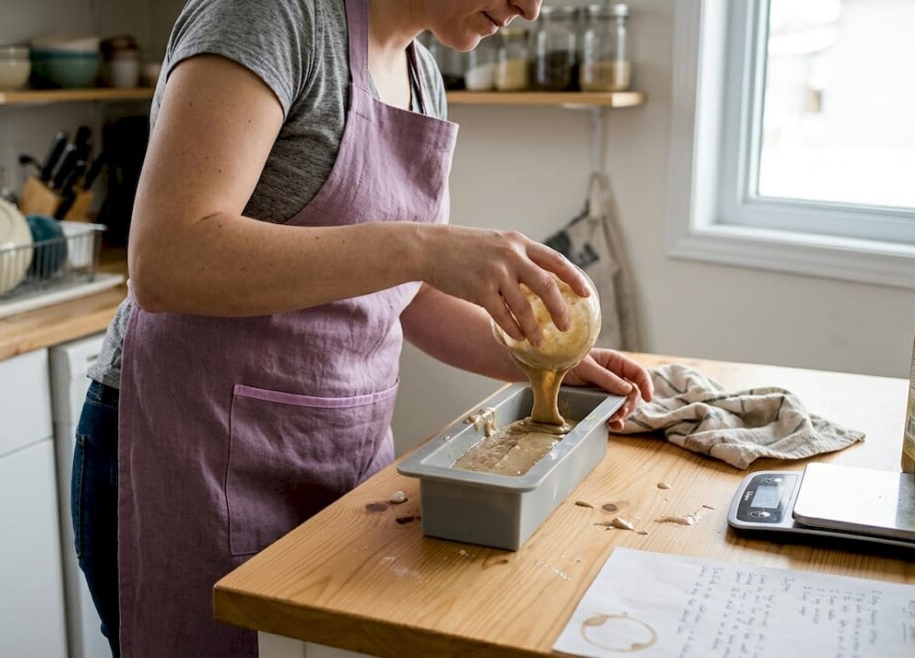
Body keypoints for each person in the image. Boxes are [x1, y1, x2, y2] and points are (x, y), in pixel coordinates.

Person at [73, 0, 654, 656]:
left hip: (340, 464)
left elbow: (409, 294)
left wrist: (547, 362)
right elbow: (167, 259)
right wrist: (421, 247)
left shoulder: (421, 75)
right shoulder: (271, 17)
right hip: (191, 456)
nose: (531, 7)